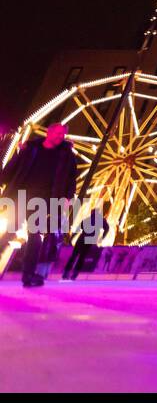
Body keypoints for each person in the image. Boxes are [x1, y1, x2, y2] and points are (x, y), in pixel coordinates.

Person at [0, 123, 80, 288]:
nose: (59, 138)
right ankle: (28, 275)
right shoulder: (31, 148)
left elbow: (71, 178)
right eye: (57, 134)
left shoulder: (67, 155)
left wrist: (67, 197)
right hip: (21, 196)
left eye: (62, 135)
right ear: (48, 132)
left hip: (42, 201)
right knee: (10, 231)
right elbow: (15, 166)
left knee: (35, 237)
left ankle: (28, 275)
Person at [63, 199, 109, 280]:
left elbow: (78, 229)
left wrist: (71, 239)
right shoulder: (100, 220)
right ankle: (74, 275)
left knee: (74, 256)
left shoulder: (87, 219)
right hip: (90, 240)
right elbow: (107, 228)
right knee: (82, 258)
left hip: (82, 238)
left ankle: (66, 273)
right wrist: (101, 238)